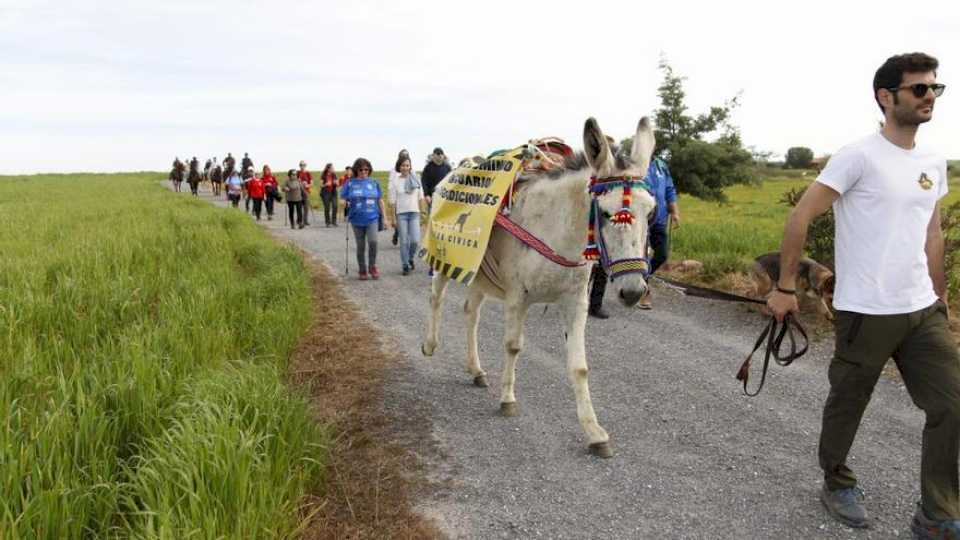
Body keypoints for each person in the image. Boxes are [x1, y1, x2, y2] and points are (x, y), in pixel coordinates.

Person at [767, 52, 956, 535]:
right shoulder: (858, 155)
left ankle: (938, 512)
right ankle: (836, 480)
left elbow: (931, 231)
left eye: (935, 88)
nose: (929, 96)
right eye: (919, 89)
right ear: (886, 97)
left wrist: (940, 294)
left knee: (952, 404)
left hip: (920, 310)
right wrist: (785, 288)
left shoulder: (933, 161)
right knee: (849, 402)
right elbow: (801, 216)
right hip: (865, 311)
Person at [588, 156, 680, 318]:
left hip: (656, 219)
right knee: (607, 257)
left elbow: (669, 189)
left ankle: (641, 281)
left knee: (662, 254)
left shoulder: (661, 166)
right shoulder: (630, 164)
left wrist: (674, 211)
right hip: (633, 222)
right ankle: (595, 304)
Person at [341, 158, 386, 280]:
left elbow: (380, 200)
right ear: (356, 170)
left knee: (373, 242)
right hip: (356, 219)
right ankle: (362, 269)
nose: (364, 171)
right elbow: (343, 198)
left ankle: (372, 266)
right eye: (361, 169)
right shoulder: (350, 183)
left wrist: (385, 218)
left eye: (366, 169)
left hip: (373, 218)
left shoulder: (374, 182)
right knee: (361, 246)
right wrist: (344, 203)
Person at [388, 155, 424, 275]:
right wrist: (393, 218)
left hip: (414, 213)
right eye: (403, 165)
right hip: (401, 214)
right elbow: (392, 201)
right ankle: (405, 265)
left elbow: (421, 197)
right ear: (399, 167)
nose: (405, 167)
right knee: (404, 241)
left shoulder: (416, 179)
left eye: (407, 165)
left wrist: (423, 213)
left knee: (415, 241)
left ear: (410, 166)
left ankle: (410, 258)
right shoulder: (396, 181)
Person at [421, 148, 451, 276]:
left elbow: (452, 182)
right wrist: (427, 195)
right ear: (433, 156)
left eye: (440, 155)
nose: (438, 157)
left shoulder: (447, 168)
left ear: (443, 156)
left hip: (446, 204)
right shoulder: (428, 168)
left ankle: (445, 263)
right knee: (435, 233)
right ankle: (433, 265)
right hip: (433, 202)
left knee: (446, 234)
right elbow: (424, 183)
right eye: (436, 155)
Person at [388, 149, 410, 245]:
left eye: (406, 155)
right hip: (397, 199)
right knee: (399, 220)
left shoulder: (410, 169)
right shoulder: (393, 170)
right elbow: (390, 185)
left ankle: (403, 237)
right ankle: (397, 234)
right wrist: (391, 199)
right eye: (402, 155)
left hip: (408, 199)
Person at [297, 161, 313, 226]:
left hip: (306, 191)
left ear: (305, 166)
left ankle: (305, 220)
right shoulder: (297, 173)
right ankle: (299, 220)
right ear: (299, 166)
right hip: (298, 192)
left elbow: (311, 183)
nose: (302, 166)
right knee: (299, 206)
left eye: (303, 165)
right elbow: (294, 181)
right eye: (301, 165)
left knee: (306, 207)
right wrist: (300, 182)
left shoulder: (308, 173)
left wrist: (307, 185)